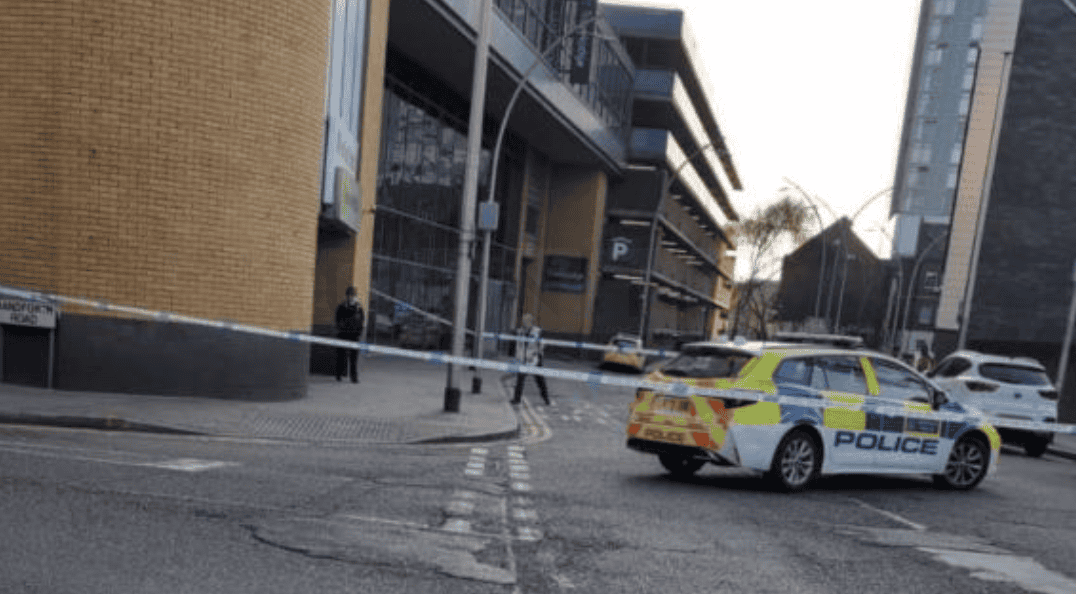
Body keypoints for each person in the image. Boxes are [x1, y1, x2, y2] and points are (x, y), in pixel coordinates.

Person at [511, 313, 550, 405]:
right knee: (520, 380)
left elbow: (542, 344)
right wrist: (517, 357)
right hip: (523, 359)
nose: (524, 322)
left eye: (526, 320)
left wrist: (537, 354)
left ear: (531, 322)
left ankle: (546, 398)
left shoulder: (537, 331)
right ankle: (516, 399)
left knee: (540, 380)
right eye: (523, 320)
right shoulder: (520, 331)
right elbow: (518, 345)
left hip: (534, 359)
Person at [335, 286, 365, 383]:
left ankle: (354, 377)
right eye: (350, 295)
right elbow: (337, 320)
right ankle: (339, 374)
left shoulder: (359, 308)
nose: (351, 297)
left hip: (354, 336)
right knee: (341, 356)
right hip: (343, 334)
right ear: (347, 296)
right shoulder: (342, 307)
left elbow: (361, 321)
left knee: (353, 358)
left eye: (353, 295)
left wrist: (359, 333)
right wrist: (340, 329)